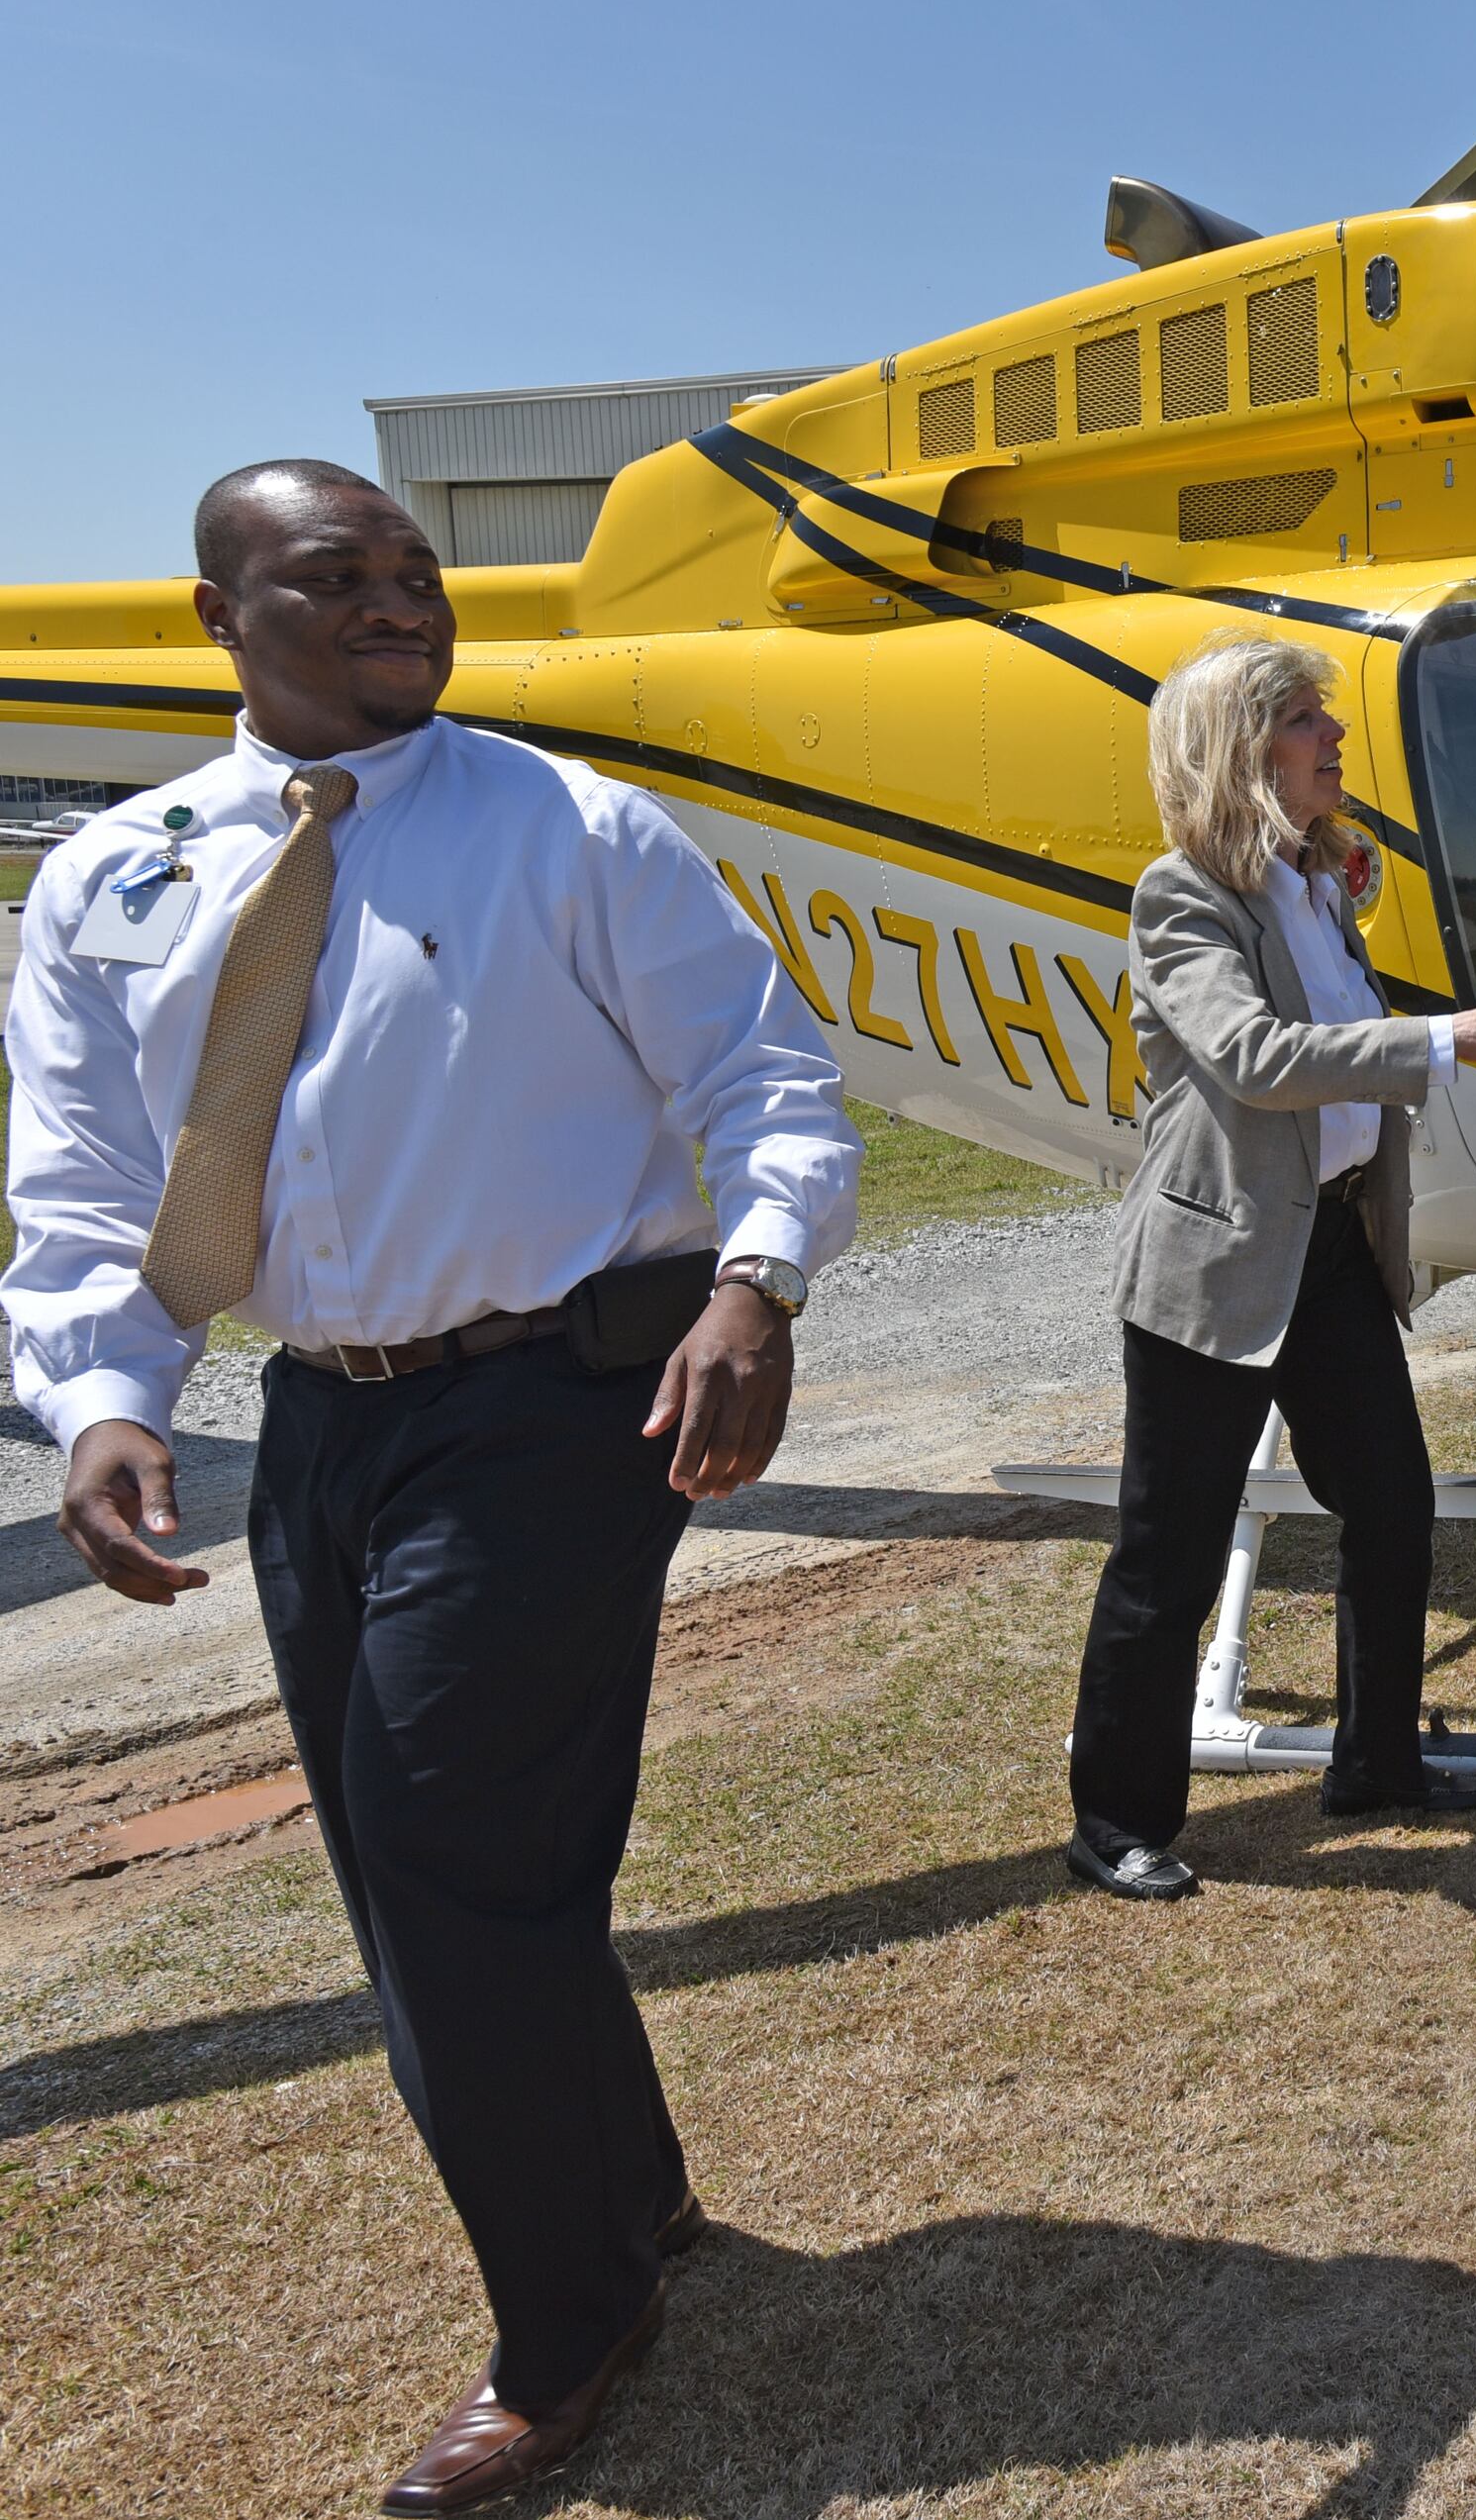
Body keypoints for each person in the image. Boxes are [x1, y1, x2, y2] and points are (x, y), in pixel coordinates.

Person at [3, 460, 858, 2512]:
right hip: (324, 1416)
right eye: (338, 576)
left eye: (415, 572)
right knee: (426, 1872)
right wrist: (104, 1398)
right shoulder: (113, 878)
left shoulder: (573, 828)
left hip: (560, 1404)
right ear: (222, 615)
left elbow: (769, 1075)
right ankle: (631, 2192)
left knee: (445, 1840)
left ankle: (565, 2322)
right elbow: (87, 1180)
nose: (400, 601)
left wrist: (755, 1280)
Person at [1062, 636, 1476, 1898]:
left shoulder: (1317, 883)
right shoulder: (1181, 893)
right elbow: (1256, 1056)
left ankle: (1376, 1761)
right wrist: (1452, 1038)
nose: (1336, 738)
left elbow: (1335, 1050)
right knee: (1170, 1551)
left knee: (1393, 1502)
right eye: (1308, 720)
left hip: (1333, 1246)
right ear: (1246, 750)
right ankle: (1114, 1821)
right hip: (1224, 1261)